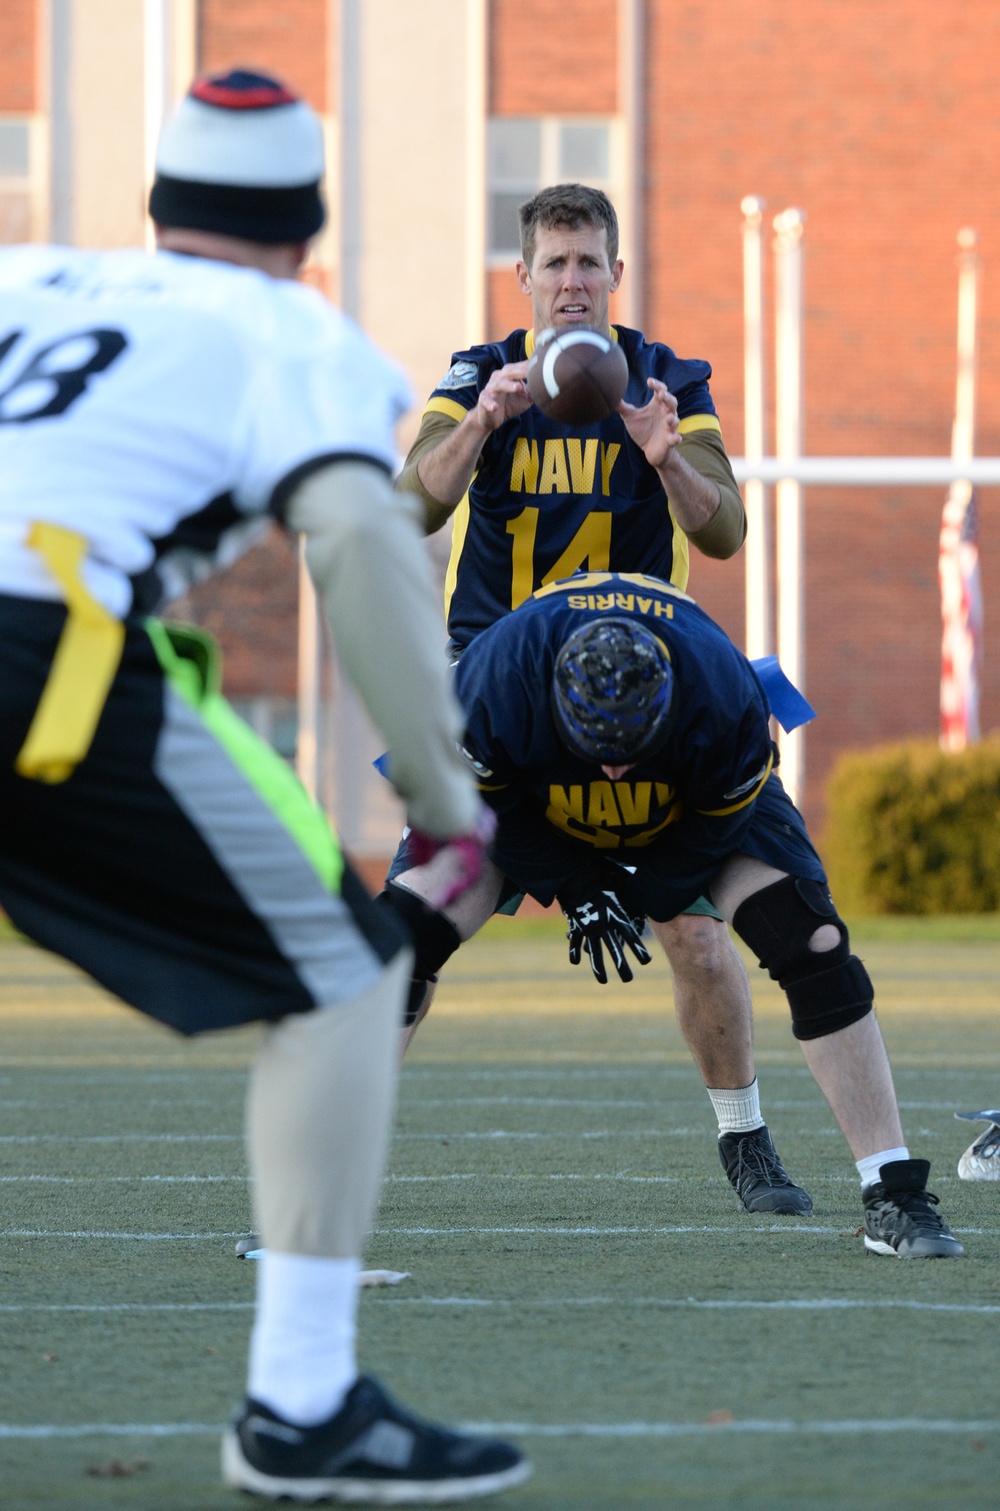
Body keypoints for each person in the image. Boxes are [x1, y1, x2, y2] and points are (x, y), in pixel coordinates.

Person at [0, 69, 529, 1503]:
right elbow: (362, 539)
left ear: (155, 204)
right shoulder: (295, 329)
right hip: (34, 658)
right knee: (349, 977)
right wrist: (445, 792)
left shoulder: (27, 274)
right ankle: (302, 1402)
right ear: (308, 223)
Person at [381, 182, 809, 1216]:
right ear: (522, 277)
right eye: (554, 263)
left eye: (589, 263)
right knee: (410, 933)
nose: (572, 282)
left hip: (642, 697)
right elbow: (408, 505)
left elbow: (722, 532)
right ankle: (333, 1154)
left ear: (616, 276)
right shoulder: (480, 375)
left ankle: (744, 1138)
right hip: (501, 705)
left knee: (699, 932)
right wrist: (481, 423)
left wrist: (666, 456)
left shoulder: (668, 380)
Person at [445, 571, 965, 1260]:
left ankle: (890, 1192)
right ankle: (313, 1198)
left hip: (689, 792)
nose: (615, 776)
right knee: (408, 931)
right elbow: (477, 804)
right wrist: (575, 883)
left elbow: (714, 830)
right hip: (533, 785)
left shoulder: (725, 693)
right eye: (601, 748)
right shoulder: (491, 684)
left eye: (631, 749)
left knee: (812, 940)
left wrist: (642, 893)